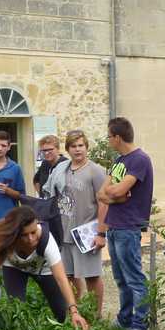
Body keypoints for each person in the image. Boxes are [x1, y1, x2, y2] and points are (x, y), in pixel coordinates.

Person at [0, 205, 90, 330]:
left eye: (33, 232)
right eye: (24, 235)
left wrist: (74, 310)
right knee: (17, 309)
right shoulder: (6, 239)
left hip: (43, 269)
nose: (31, 239)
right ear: (14, 234)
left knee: (61, 312)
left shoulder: (47, 241)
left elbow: (61, 278)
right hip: (14, 268)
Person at [97, 117, 154, 330]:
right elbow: (102, 193)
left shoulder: (139, 159)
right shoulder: (120, 160)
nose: (108, 140)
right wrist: (116, 196)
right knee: (121, 278)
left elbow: (119, 188)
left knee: (135, 278)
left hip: (129, 226)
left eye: (109, 136)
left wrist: (114, 193)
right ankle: (125, 318)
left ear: (117, 137)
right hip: (114, 224)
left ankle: (141, 326)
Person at [58, 130, 108, 317]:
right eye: (73, 146)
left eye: (81, 145)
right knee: (69, 276)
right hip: (65, 231)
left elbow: (104, 202)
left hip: (86, 232)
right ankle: (76, 312)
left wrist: (101, 233)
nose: (77, 149)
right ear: (68, 149)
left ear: (86, 147)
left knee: (92, 276)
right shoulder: (63, 169)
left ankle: (96, 315)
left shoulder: (95, 171)